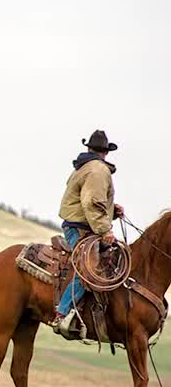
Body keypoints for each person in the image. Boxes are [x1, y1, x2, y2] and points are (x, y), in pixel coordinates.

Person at [54, 129, 124, 338]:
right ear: (106, 152)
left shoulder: (86, 168)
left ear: (89, 148)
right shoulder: (97, 170)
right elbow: (91, 203)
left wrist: (111, 212)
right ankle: (62, 312)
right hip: (81, 228)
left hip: (81, 224)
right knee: (89, 268)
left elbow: (90, 201)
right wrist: (105, 230)